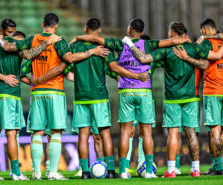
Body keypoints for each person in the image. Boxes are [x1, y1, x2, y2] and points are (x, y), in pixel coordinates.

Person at [70, 18, 189, 179]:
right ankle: (148, 171)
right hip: (144, 91)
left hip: (125, 91)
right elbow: (171, 41)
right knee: (146, 131)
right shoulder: (148, 44)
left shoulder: (120, 44)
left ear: (130, 29)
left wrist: (78, 37)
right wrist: (185, 39)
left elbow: (96, 39)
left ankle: (124, 171)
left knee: (125, 132)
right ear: (142, 32)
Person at [0, 13, 110, 180]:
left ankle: (36, 172)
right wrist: (91, 51)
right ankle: (52, 172)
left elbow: (9, 47)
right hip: (55, 91)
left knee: (37, 132)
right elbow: (70, 58)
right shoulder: (59, 41)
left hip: (37, 92)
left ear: (43, 24)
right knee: (55, 133)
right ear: (56, 26)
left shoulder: (32, 39)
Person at [0, 18, 63, 180]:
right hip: (10, 94)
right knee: (11, 134)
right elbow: (31, 54)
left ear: (0, 30)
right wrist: (47, 42)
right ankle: (16, 172)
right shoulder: (17, 46)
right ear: (13, 30)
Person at [122, 22, 223, 178]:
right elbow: (204, 65)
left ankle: (171, 170)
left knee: (173, 134)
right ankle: (196, 169)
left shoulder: (166, 50)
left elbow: (143, 59)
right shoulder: (194, 48)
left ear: (171, 34)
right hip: (190, 97)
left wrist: (129, 44)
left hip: (172, 99)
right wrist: (187, 57)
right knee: (192, 134)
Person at [182, 18, 223, 176]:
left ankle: (219, 167)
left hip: (212, 91)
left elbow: (203, 65)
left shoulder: (206, 43)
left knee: (215, 132)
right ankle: (217, 165)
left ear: (204, 31)